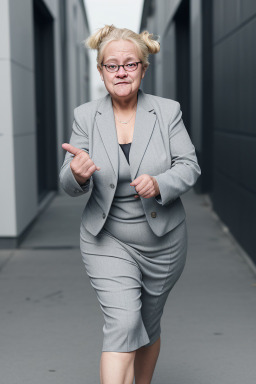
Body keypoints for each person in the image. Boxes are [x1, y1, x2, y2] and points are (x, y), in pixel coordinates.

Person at [59, 24, 201, 384]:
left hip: (162, 241)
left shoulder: (167, 112)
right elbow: (68, 182)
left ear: (143, 68)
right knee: (122, 322)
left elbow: (189, 166)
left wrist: (160, 182)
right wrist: (77, 174)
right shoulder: (86, 116)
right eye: (112, 65)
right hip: (106, 238)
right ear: (101, 70)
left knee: (147, 326)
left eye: (130, 64)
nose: (121, 72)